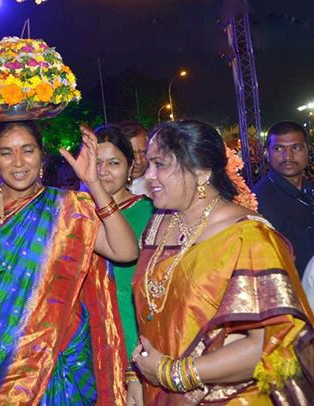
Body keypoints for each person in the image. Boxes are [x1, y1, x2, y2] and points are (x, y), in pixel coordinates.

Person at [0, 108, 138, 404]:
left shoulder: (68, 207)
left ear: (41, 156)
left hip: (58, 354)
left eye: (27, 151)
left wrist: (93, 182)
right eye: (6, 153)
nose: (18, 162)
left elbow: (125, 251)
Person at [129, 120, 314, 405]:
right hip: (160, 391)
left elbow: (264, 345)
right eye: (148, 164)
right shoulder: (159, 225)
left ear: (202, 172)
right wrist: (138, 376)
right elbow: (153, 315)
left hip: (229, 396)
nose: (148, 175)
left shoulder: (249, 237)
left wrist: (171, 374)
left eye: (160, 164)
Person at [93, 125, 154, 359]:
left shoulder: (150, 212)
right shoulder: (76, 213)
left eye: (113, 163)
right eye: (96, 163)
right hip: (86, 334)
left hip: (133, 327)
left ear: (130, 167)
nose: (103, 171)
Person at [252, 121, 313, 277]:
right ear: (266, 153)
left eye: (296, 147)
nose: (288, 156)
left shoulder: (310, 191)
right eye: (279, 149)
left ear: (308, 150)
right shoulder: (257, 200)